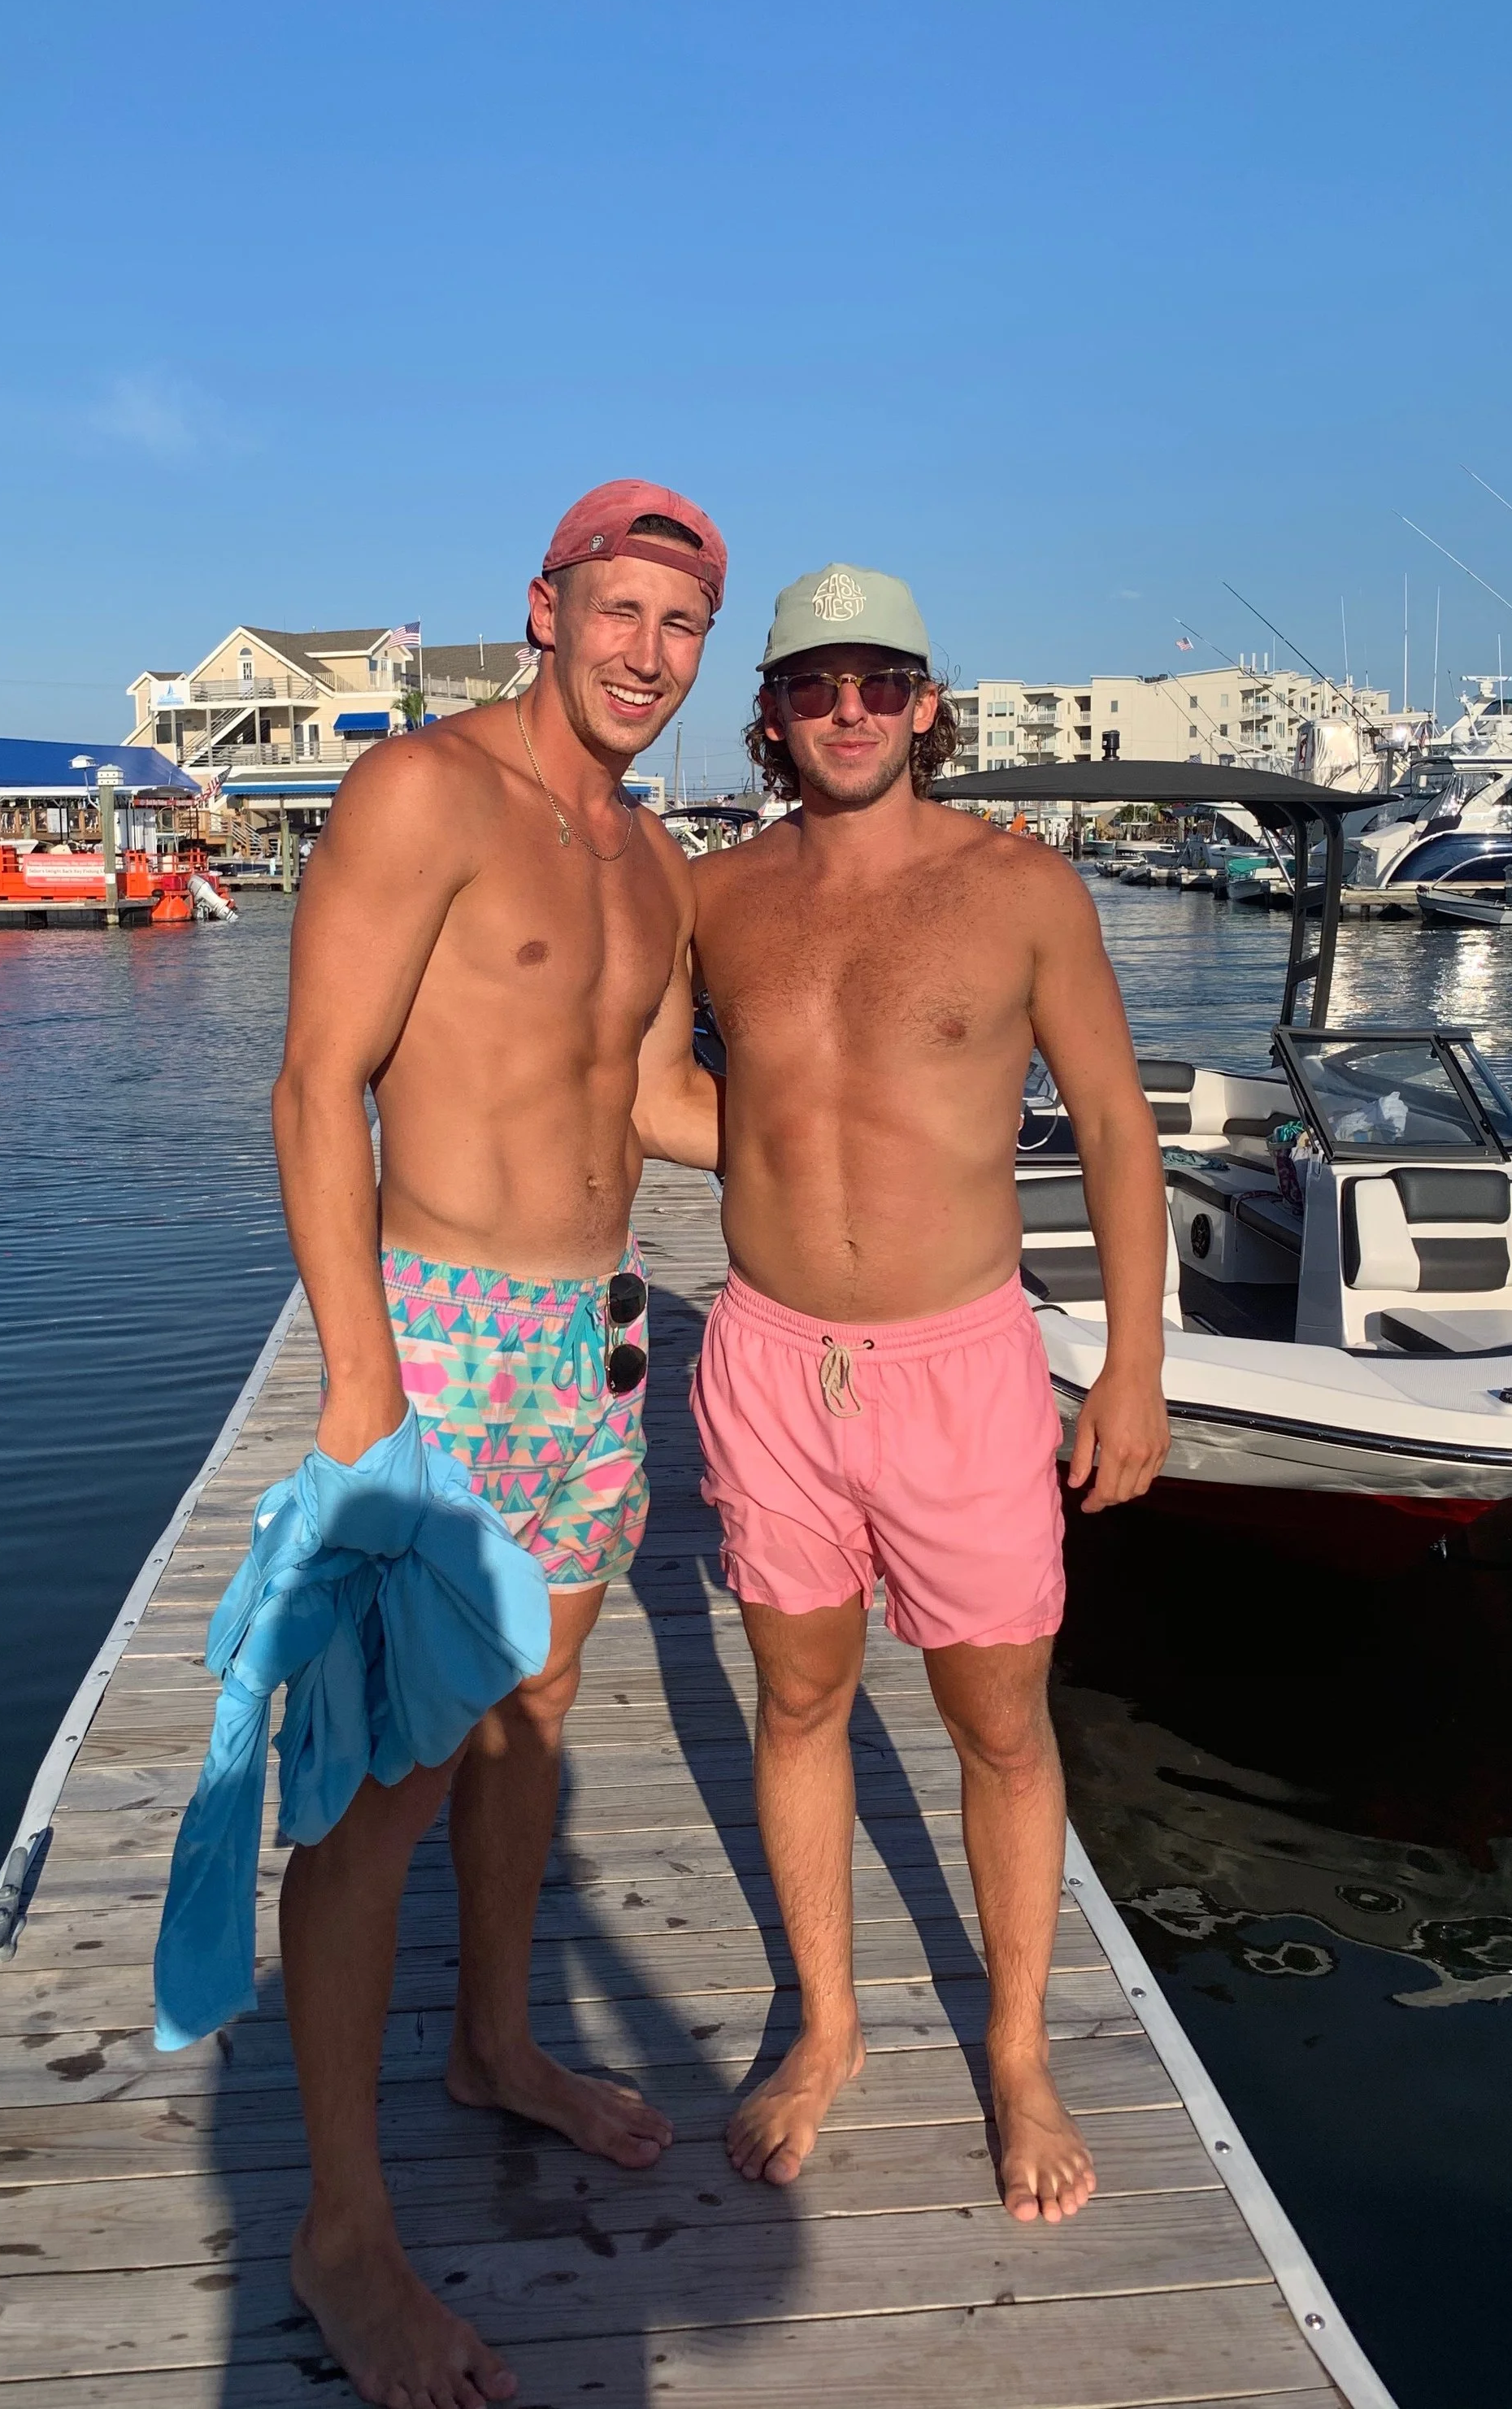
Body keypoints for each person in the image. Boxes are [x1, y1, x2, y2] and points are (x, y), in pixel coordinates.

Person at [632, 563, 1171, 2229]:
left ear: (925, 703)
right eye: (813, 685)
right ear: (773, 716)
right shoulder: (713, 898)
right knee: (797, 1701)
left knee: (996, 1724)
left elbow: (1109, 1129)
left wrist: (1136, 1366)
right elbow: (653, 1089)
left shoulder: (1021, 890)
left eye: (878, 681)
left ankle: (1014, 2049)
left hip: (959, 1365)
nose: (847, 708)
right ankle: (833, 2021)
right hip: (774, 1360)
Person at [271, 480, 723, 2408]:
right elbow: (314, 1086)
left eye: (679, 628)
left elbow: (652, 1095)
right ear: (541, 607)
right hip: (436, 1339)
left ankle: (494, 2049)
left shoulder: (651, 859)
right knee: (377, 1781)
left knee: (532, 1718)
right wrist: (359, 1376)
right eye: (616, 611)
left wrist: (886, 1130)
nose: (644, 654)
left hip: (592, 1340)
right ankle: (341, 2229)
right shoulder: (421, 795)